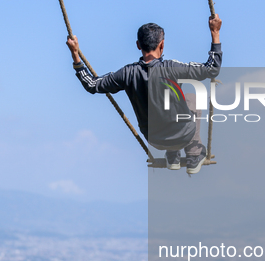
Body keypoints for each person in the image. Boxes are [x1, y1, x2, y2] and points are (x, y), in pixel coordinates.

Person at [66, 15, 222, 174]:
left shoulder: (127, 73)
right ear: (162, 44)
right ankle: (194, 152)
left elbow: (91, 84)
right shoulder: (172, 68)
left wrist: (75, 55)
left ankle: (172, 155)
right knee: (192, 98)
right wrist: (215, 33)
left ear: (138, 45)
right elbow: (211, 69)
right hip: (182, 136)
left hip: (155, 140)